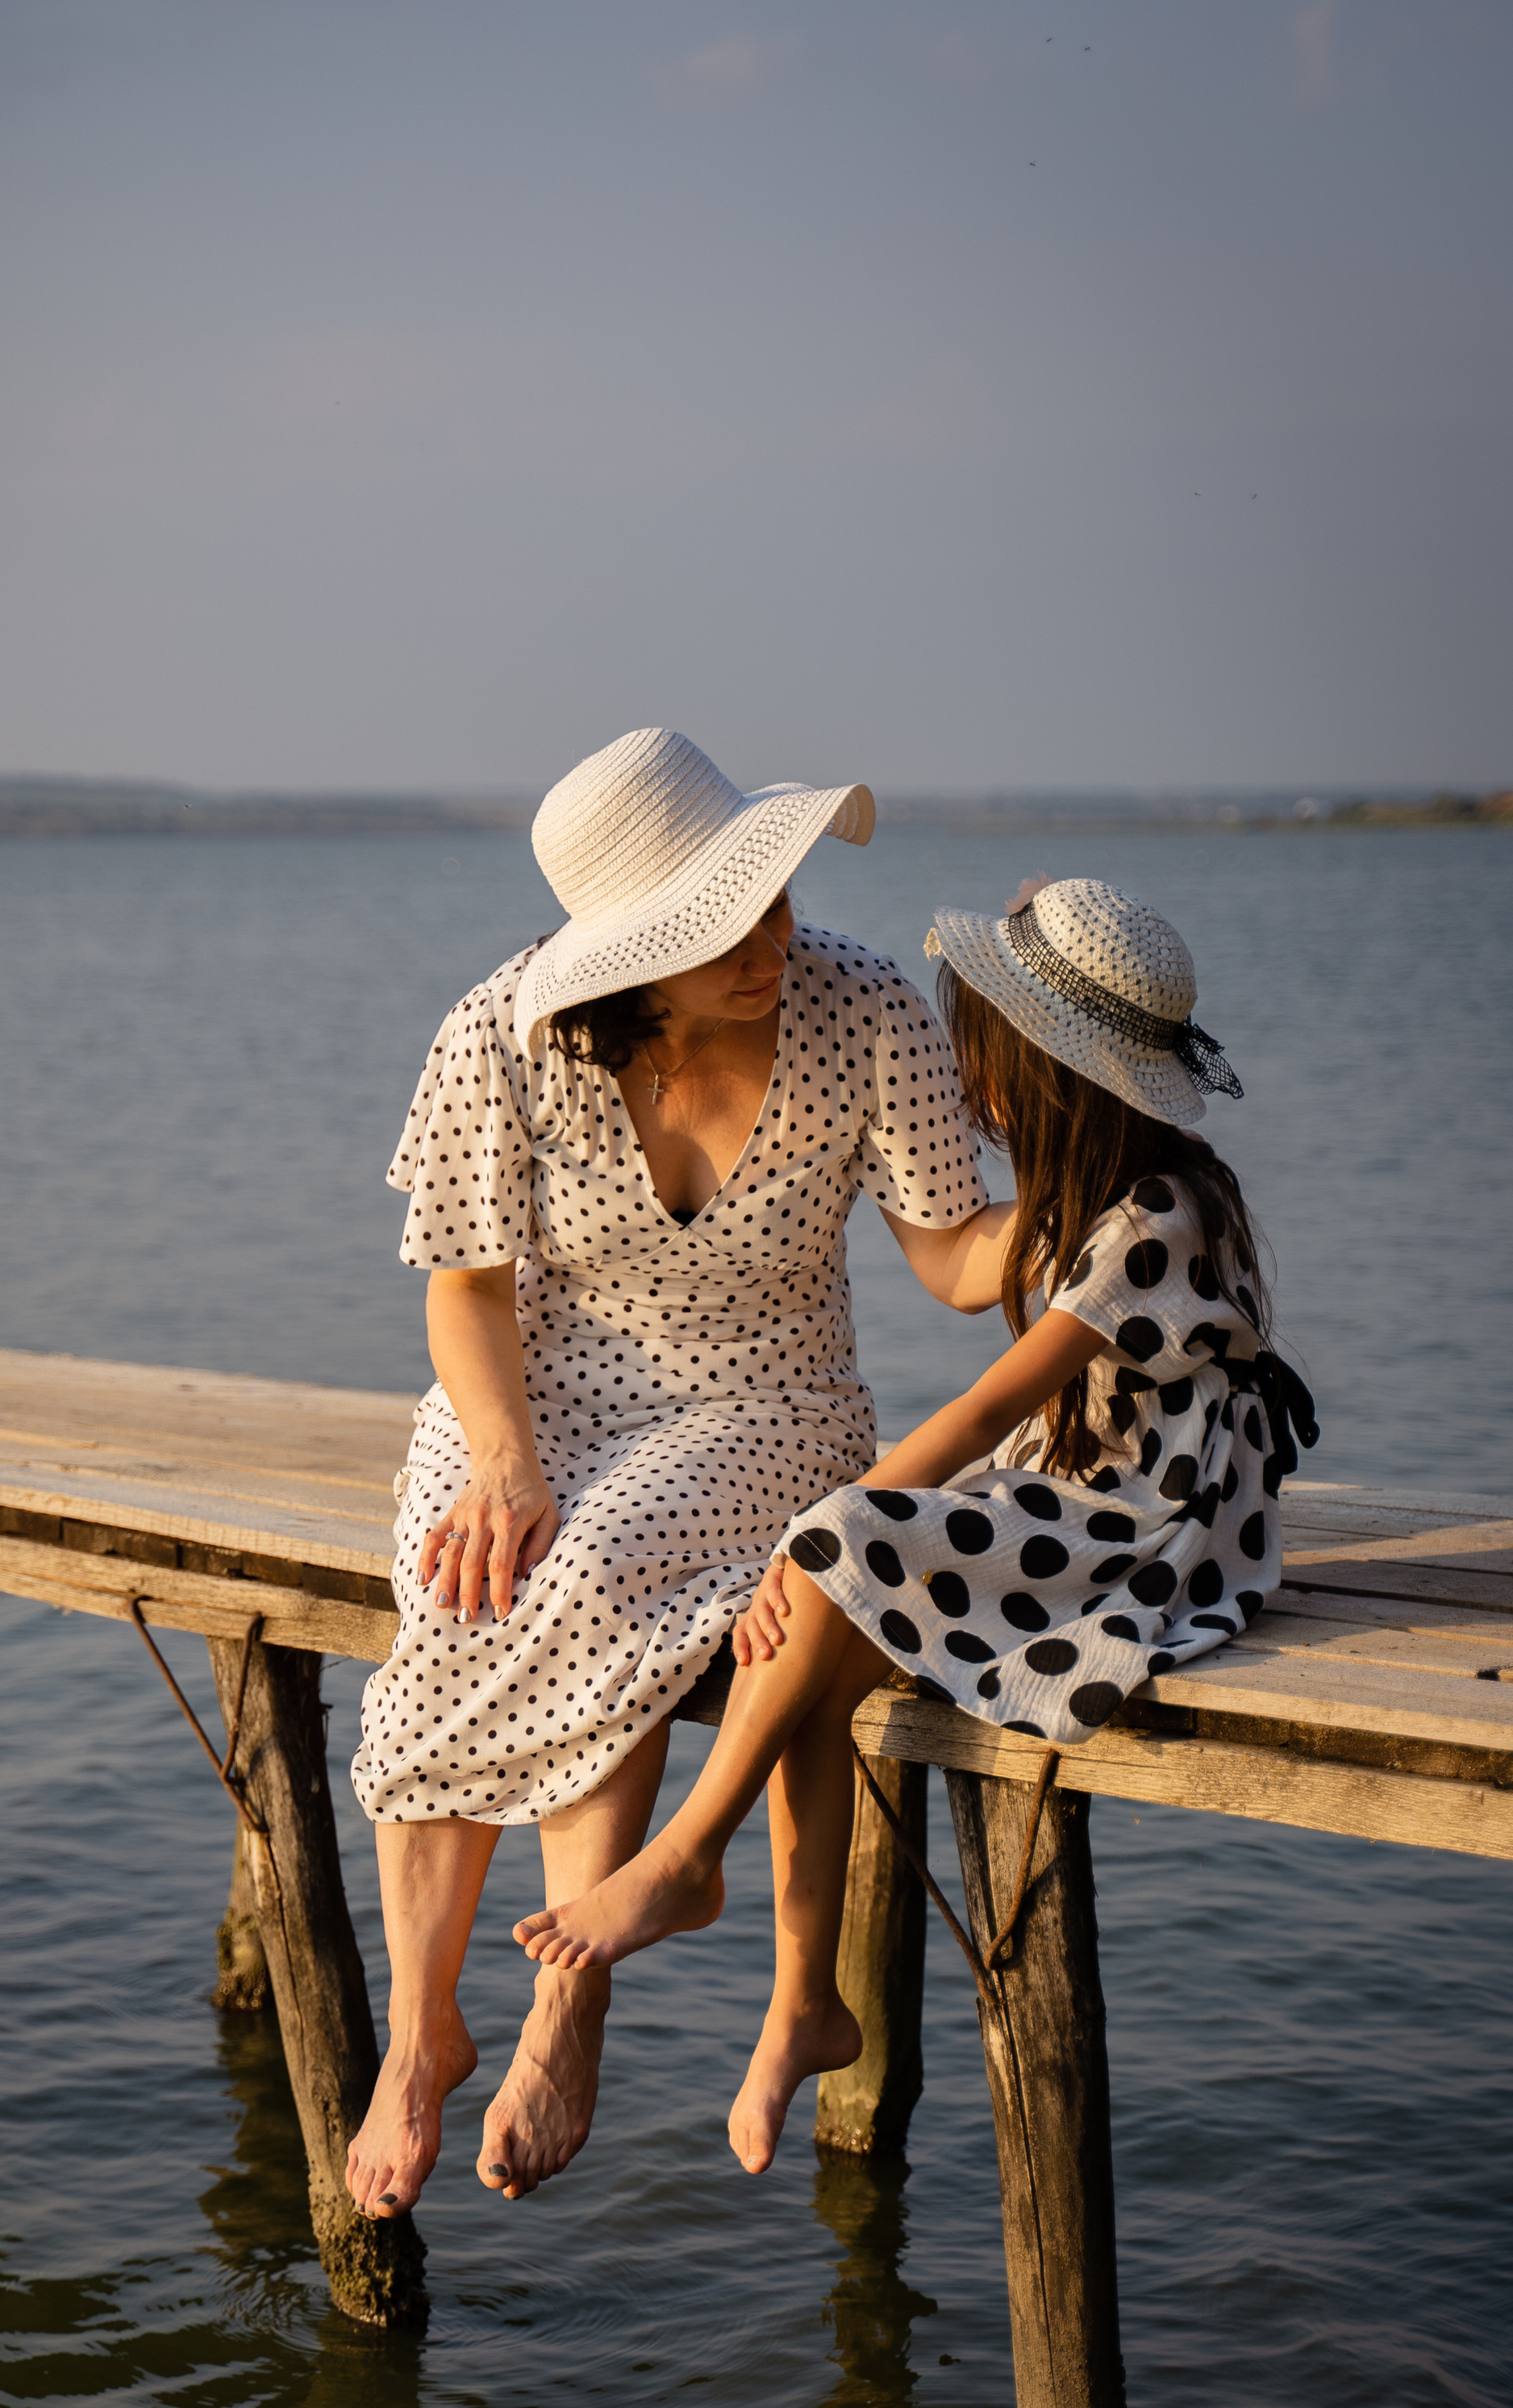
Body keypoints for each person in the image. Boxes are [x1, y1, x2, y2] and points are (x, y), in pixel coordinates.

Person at [514, 875, 1316, 2176]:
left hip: (1150, 1521)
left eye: (982, 1053)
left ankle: (689, 1853)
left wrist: (816, 1532)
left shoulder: (1153, 1217)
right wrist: (829, 1542)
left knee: (835, 1548)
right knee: (820, 1647)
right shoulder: (1099, 1190)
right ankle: (803, 2001)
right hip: (1084, 1478)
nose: (965, 1081)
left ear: (1047, 1072)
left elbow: (987, 1405)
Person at [344, 726, 1010, 2220]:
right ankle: (419, 2031)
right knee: (460, 1585)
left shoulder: (863, 1008)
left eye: (771, 900)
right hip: (531, 1395)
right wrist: (504, 1461)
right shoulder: (499, 1034)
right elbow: (465, 1287)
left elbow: (955, 1257)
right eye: (722, 929)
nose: (771, 945)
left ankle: (565, 2001)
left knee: (594, 1567)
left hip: (766, 1407)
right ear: (630, 958)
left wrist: (1087, 1208)